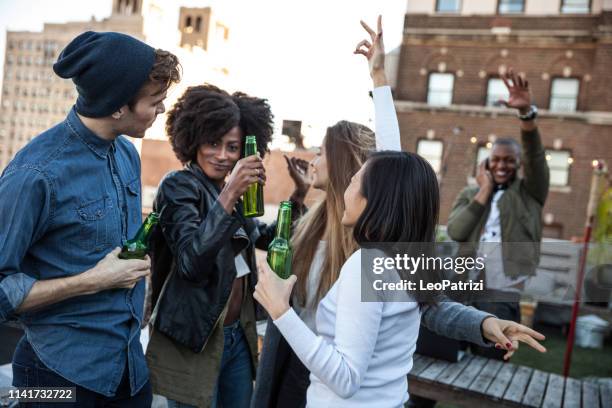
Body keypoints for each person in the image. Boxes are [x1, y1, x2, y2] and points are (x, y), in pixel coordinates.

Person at [252, 16, 546, 408]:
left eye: (323, 150)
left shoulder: (367, 251)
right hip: (299, 363)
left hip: (330, 378)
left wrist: (278, 309)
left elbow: (419, 309)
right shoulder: (315, 222)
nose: (313, 158)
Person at [0, 31, 180, 406]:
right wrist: (91, 281)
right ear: (117, 107)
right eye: (155, 101)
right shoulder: (36, 173)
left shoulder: (128, 154)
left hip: (129, 369)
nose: (162, 109)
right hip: (55, 377)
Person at [145, 84, 307, 408]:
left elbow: (264, 237)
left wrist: (298, 197)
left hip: (238, 336)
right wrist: (230, 193)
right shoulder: (179, 187)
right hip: (195, 340)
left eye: (232, 147)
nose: (222, 155)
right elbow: (192, 263)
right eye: (213, 143)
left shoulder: (228, 191)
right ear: (193, 140)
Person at [447, 68, 550, 360]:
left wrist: (526, 115)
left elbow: (536, 158)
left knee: (488, 361)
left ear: (518, 165)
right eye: (496, 160)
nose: (502, 165)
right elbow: (456, 231)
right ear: (487, 164)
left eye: (509, 161)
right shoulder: (470, 194)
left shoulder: (530, 194)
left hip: (501, 293)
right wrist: (483, 192)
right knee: (445, 354)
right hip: (462, 287)